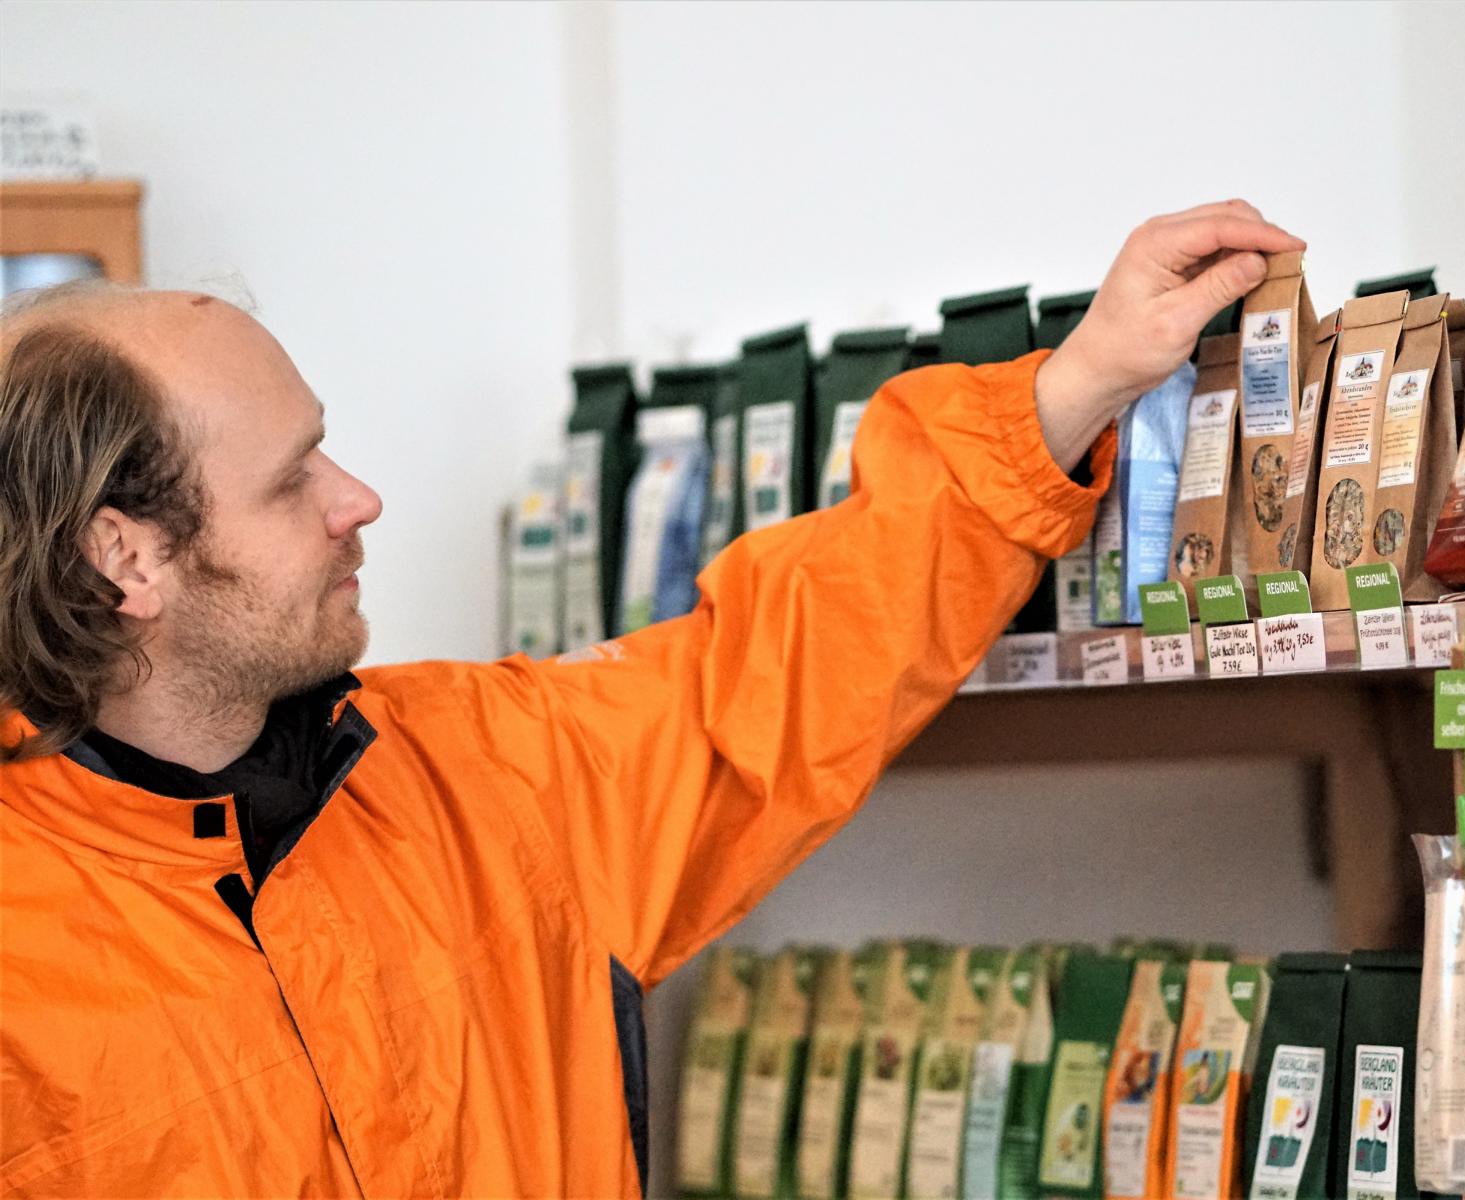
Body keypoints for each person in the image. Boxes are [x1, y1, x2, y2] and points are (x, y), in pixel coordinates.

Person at [0, 201, 1302, 1197]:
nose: (358, 499)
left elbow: (784, 668)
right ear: (129, 558)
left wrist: (1077, 384)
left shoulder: (484, 776)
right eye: (292, 479)